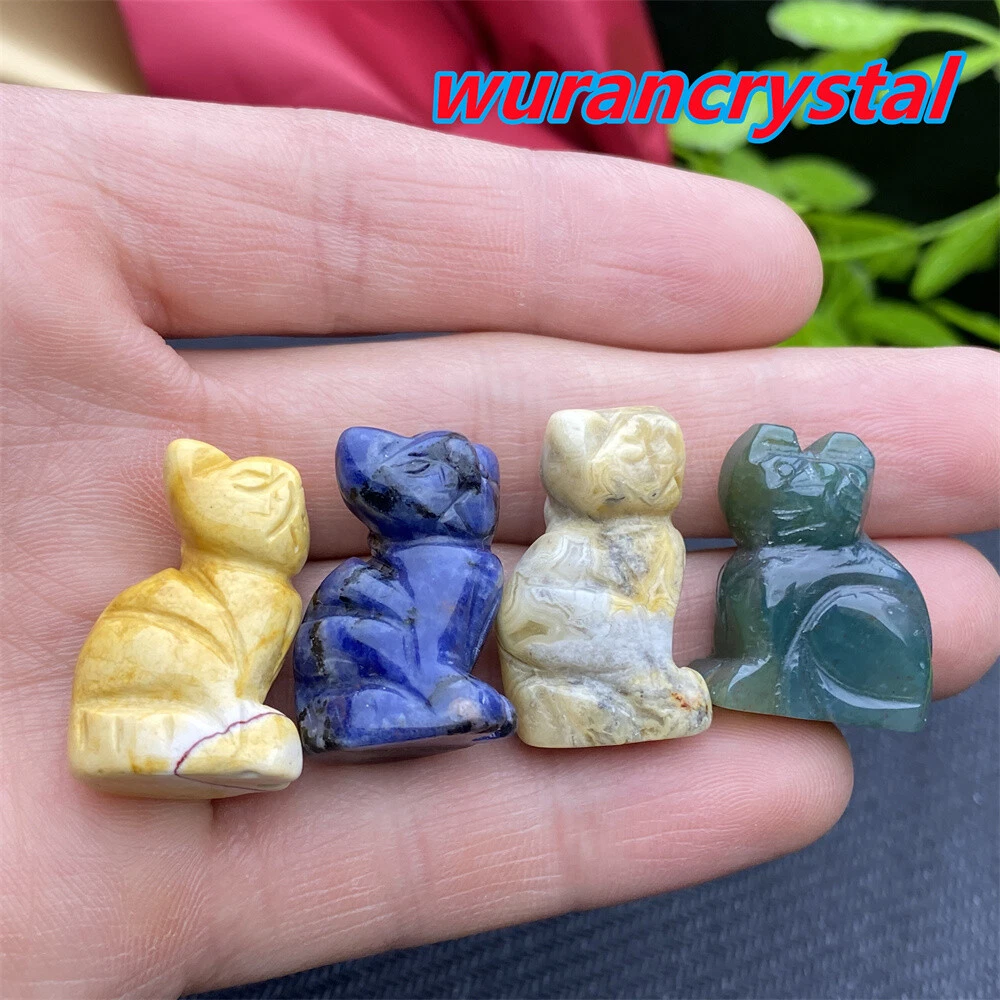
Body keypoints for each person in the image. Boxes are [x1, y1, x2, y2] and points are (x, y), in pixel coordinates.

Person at [1, 82, 998, 999]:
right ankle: (359, 710)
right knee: (409, 654)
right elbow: (515, 627)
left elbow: (624, 623)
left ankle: (463, 701)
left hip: (568, 668)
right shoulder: (430, 564)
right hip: (403, 675)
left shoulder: (581, 550)